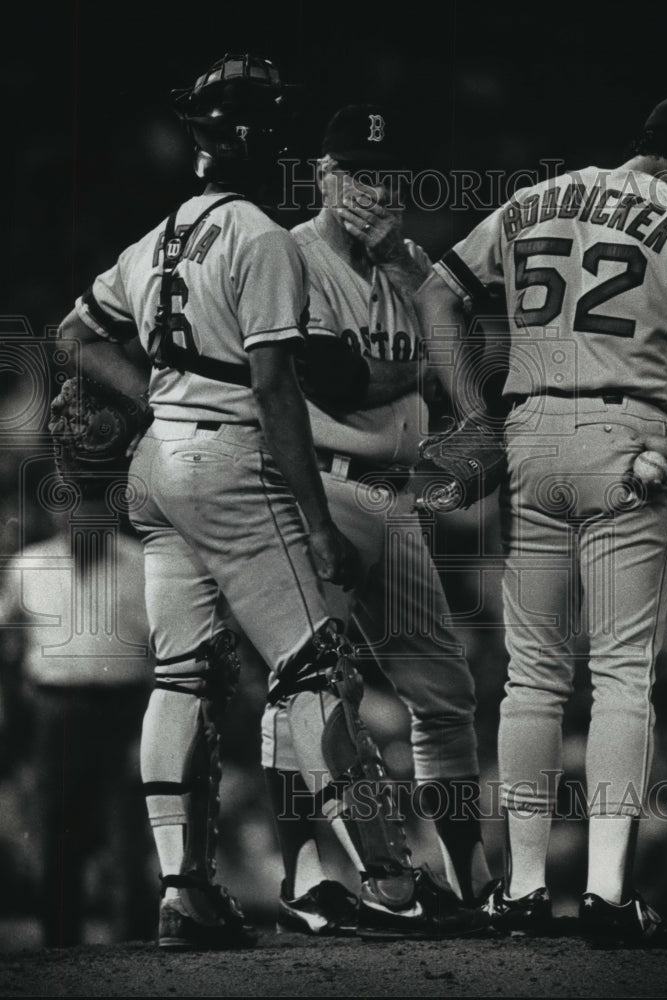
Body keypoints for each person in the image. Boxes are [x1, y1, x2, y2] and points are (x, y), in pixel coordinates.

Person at [56, 54, 484, 948]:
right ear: (275, 142)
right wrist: (317, 522)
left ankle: (184, 893)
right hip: (230, 463)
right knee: (317, 670)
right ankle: (392, 885)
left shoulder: (163, 233)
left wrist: (153, 403)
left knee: (181, 678)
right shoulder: (260, 237)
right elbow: (279, 390)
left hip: (157, 465)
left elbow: (73, 335)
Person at [415, 92, 667, 944]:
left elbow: (435, 295)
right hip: (626, 436)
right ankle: (605, 894)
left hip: (530, 434)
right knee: (622, 673)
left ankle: (524, 891)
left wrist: (474, 417)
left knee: (531, 674)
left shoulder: (533, 199)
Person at [260, 105, 494, 936]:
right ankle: (311, 880)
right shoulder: (288, 253)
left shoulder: (405, 264)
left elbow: (466, 362)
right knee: (313, 690)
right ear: (321, 172)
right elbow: (333, 382)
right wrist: (422, 355)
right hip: (313, 491)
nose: (375, 188)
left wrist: (411, 272)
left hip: (393, 500)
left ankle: (470, 880)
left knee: (445, 690)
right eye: (357, 172)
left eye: (389, 175)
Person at [0, 485, 155, 947]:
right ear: (55, 511)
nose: (81, 515)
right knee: (57, 831)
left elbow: (165, 652)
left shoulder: (143, 564)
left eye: (92, 504)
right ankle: (60, 947)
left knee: (127, 832)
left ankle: (136, 950)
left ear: (111, 512)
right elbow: (8, 650)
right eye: (70, 504)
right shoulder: (27, 567)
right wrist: (16, 727)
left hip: (127, 708)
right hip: (55, 711)